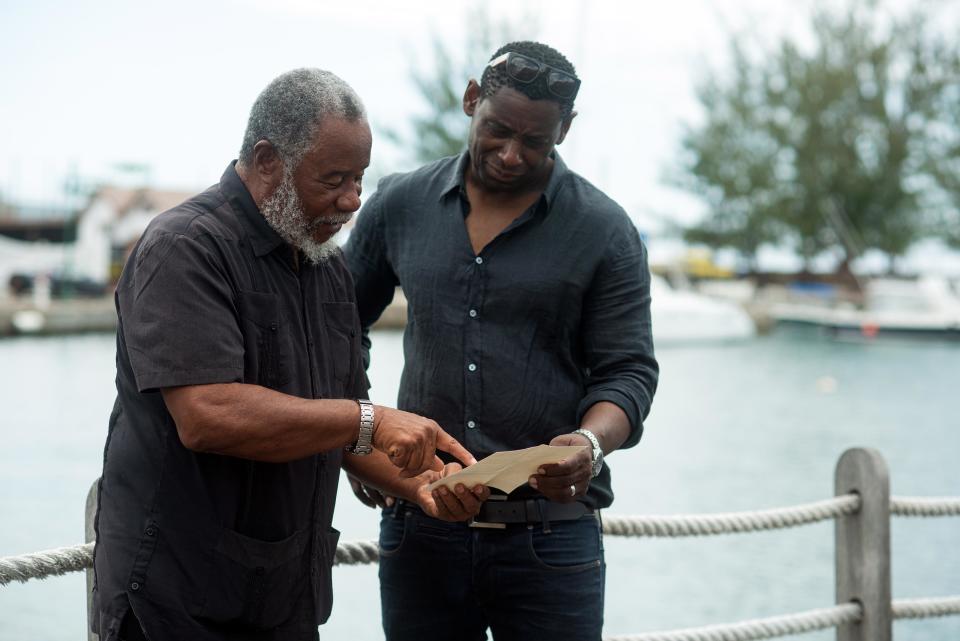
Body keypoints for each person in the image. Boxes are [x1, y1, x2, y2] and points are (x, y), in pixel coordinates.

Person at [90, 68, 476, 641]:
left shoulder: (327, 264)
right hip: (174, 599)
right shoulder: (184, 247)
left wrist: (418, 485)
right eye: (334, 179)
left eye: (360, 178)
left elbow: (344, 428)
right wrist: (370, 419)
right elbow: (208, 414)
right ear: (267, 159)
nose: (352, 201)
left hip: (282, 597)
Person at [344, 41, 660, 641]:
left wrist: (591, 444)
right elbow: (337, 326)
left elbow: (629, 374)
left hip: (552, 538)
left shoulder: (606, 230)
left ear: (564, 130)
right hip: (420, 525)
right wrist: (360, 434)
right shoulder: (398, 203)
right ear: (470, 100)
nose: (511, 154)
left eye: (535, 141)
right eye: (497, 130)